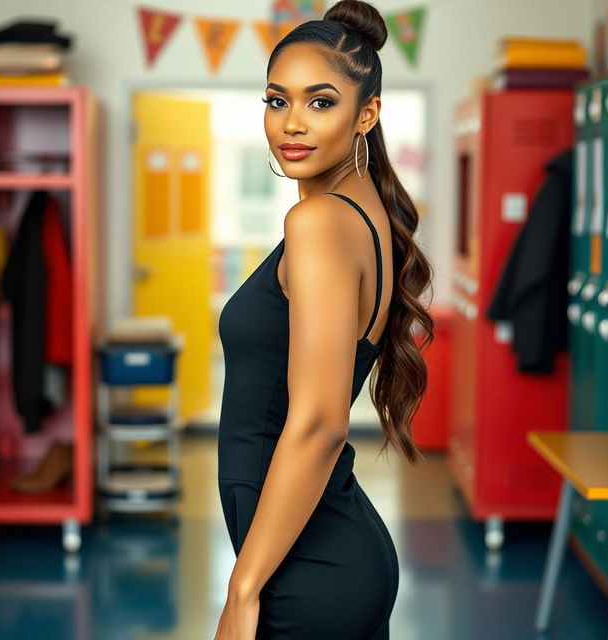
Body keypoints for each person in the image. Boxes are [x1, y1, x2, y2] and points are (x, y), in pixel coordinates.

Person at [215, 1, 434, 638]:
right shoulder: (360, 216)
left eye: (320, 102)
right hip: (327, 553)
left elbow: (318, 424)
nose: (291, 124)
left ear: (367, 113)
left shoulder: (318, 223)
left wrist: (243, 589)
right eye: (276, 100)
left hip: (304, 570)